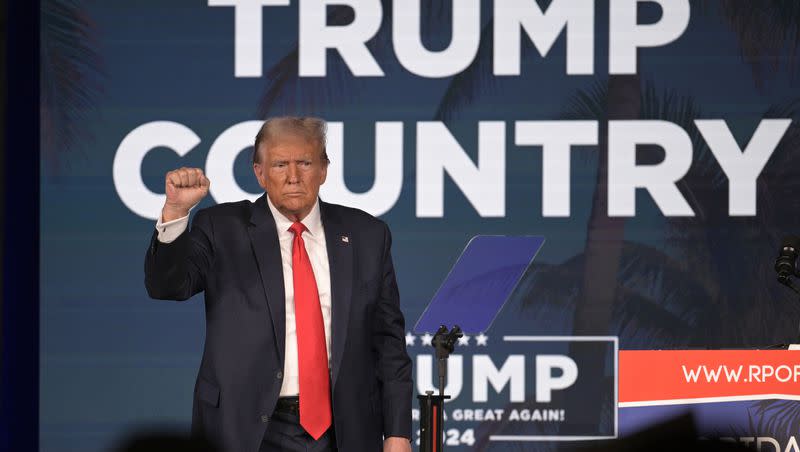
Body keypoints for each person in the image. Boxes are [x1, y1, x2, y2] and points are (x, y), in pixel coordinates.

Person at [144, 117, 412, 452]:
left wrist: (398, 433)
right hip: (244, 427)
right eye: (280, 164)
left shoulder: (367, 235)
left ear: (324, 169)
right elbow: (167, 286)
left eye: (305, 163)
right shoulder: (221, 228)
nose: (293, 177)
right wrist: (175, 213)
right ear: (259, 172)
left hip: (343, 429)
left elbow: (389, 344)